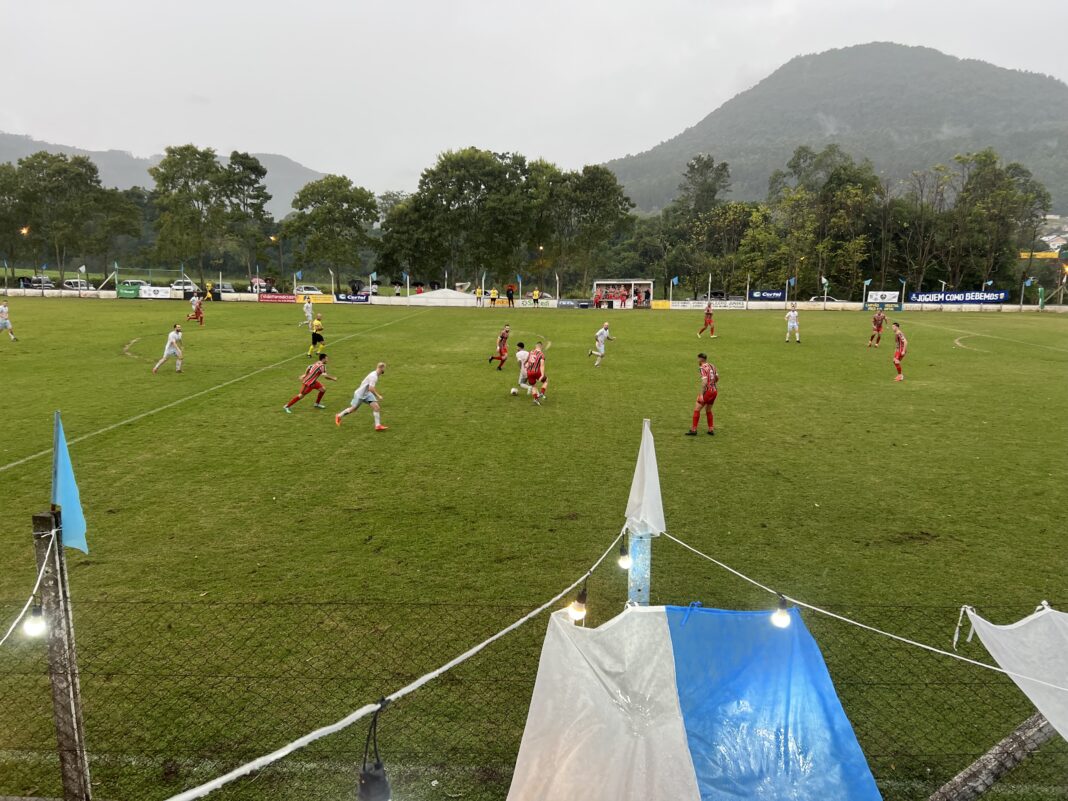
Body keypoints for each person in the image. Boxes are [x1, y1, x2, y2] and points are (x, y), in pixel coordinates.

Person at [335, 362, 388, 430]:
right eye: (384, 369)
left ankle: (377, 425)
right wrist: (378, 396)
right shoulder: (373, 376)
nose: (384, 371)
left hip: (367, 394)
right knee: (353, 409)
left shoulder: (375, 374)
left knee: (376, 407)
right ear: (381, 368)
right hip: (360, 395)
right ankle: (339, 416)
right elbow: (371, 388)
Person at [686, 352, 718, 436]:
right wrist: (712, 383)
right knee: (708, 410)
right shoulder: (712, 366)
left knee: (697, 409)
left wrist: (701, 394)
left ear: (700, 359)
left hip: (708, 392)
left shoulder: (702, 368)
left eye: (698, 359)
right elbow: (717, 378)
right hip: (714, 391)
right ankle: (711, 429)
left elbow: (704, 382)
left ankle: (693, 430)